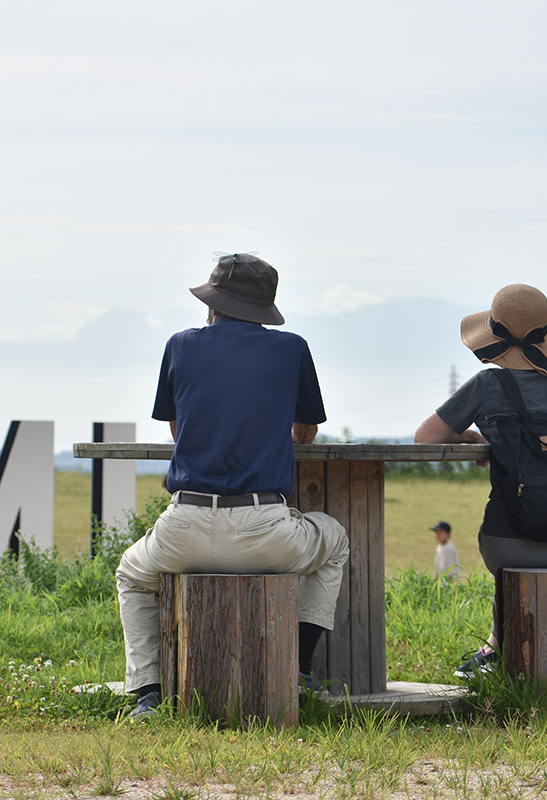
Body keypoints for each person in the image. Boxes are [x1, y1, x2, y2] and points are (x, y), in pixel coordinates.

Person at [116, 253, 349, 719]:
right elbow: (305, 433)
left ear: (213, 303)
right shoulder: (292, 348)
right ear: (265, 308)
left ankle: (148, 692)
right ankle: (299, 671)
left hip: (184, 524)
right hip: (266, 529)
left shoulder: (180, 345)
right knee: (334, 539)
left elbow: (179, 430)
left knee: (132, 574)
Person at [414, 283, 547, 679]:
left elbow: (425, 437)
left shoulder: (488, 385)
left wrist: (480, 441)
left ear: (495, 338)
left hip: (510, 544)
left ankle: (497, 652)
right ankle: (506, 648)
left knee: (504, 546)